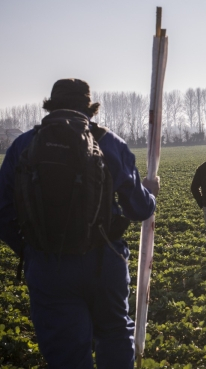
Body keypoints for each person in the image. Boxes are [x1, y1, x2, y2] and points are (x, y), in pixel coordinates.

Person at [0, 78, 159, 369]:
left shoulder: (22, 145)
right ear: (90, 109)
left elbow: (3, 212)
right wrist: (150, 191)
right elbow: (139, 208)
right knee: (113, 335)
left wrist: (32, 250)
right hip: (104, 262)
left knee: (67, 354)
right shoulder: (109, 143)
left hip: (48, 267)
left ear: (50, 105)